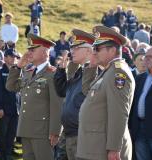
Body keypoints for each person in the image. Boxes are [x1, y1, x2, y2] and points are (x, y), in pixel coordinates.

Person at [77, 26, 135, 160]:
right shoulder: (108, 71)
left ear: (112, 50)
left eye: (97, 49)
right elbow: (87, 92)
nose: (94, 52)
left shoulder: (117, 73)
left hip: (103, 149)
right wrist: (91, 67)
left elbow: (119, 113)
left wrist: (114, 148)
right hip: (95, 147)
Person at [6, 33, 63, 160]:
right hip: (26, 128)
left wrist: (55, 131)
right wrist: (18, 66)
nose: (29, 53)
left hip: (43, 132)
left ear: (44, 53)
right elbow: (11, 86)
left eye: (33, 50)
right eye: (29, 50)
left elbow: (57, 104)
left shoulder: (52, 74)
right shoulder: (28, 72)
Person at [54, 29, 96, 160]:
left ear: (89, 51)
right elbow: (61, 91)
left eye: (77, 48)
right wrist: (61, 71)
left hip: (81, 134)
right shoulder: (79, 72)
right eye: (72, 47)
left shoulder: (94, 72)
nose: (72, 51)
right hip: (68, 132)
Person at [0, 48, 20, 160]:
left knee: (11, 134)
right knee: (2, 134)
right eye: (11, 56)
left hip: (15, 109)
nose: (14, 58)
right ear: (5, 58)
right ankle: (0, 154)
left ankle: (8, 154)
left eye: (15, 57)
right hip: (3, 109)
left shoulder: (18, 72)